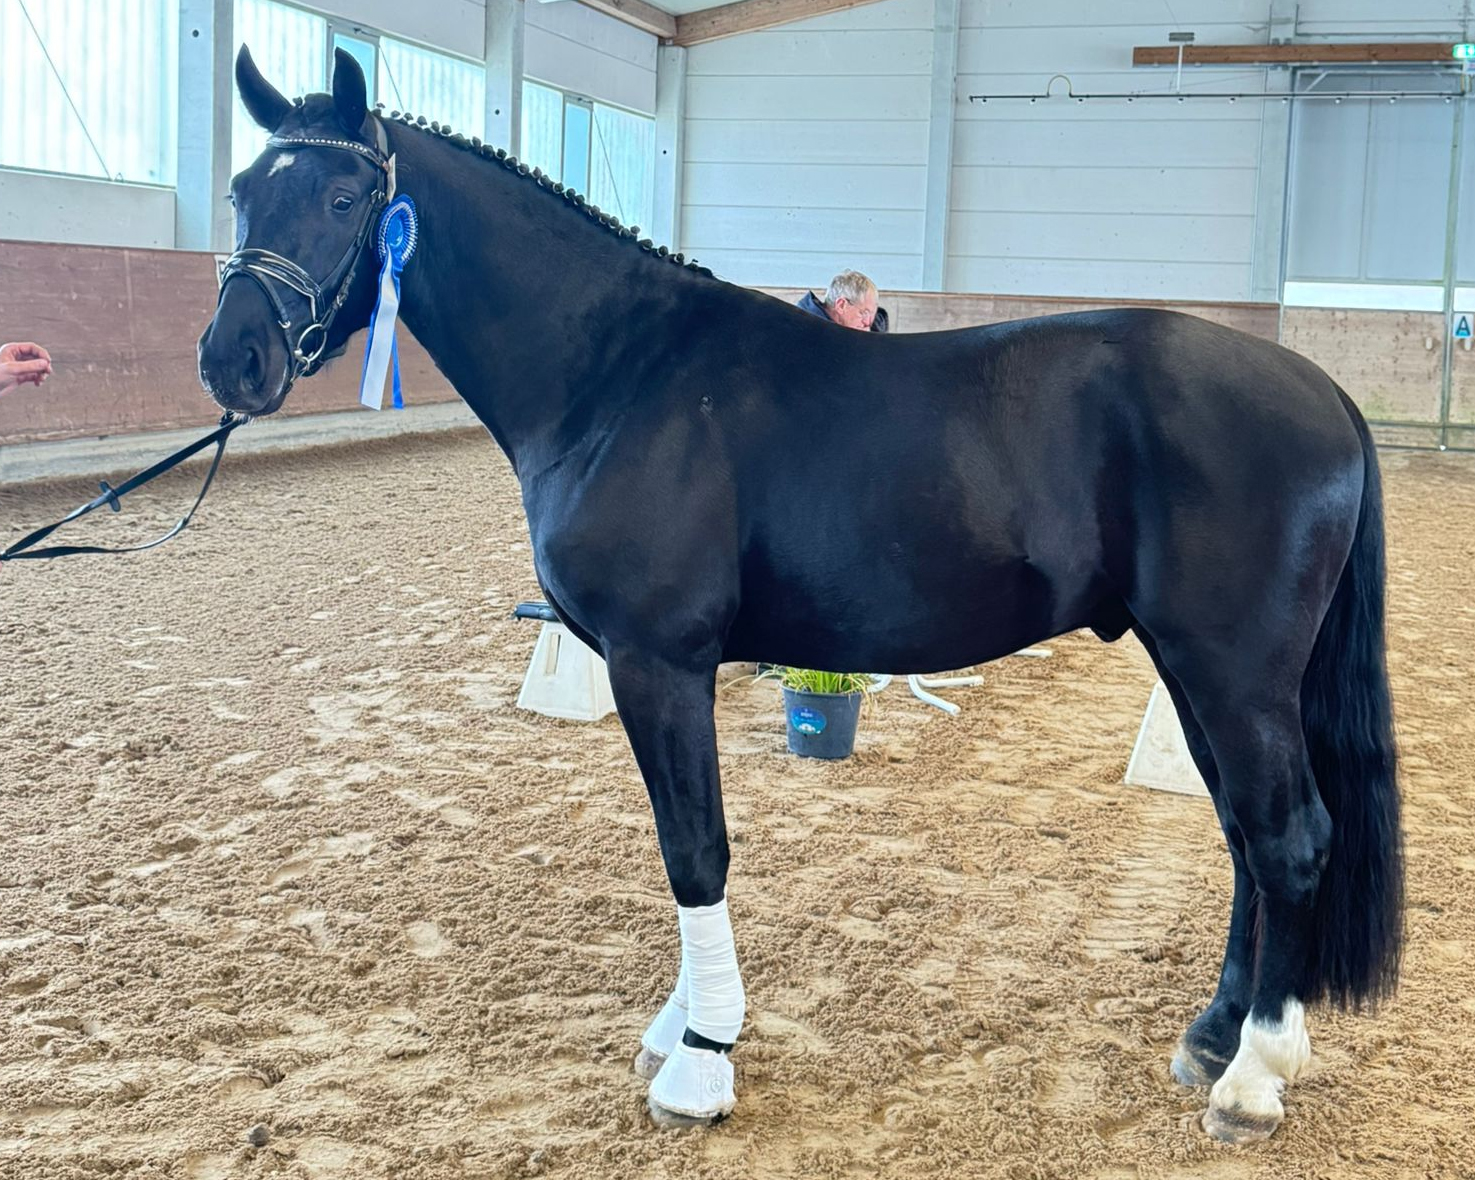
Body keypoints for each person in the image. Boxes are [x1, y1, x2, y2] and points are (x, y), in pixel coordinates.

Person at [795, 271, 888, 332]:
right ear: (841, 305)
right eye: (863, 313)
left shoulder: (875, 327)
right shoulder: (802, 331)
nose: (867, 323)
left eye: (871, 315)